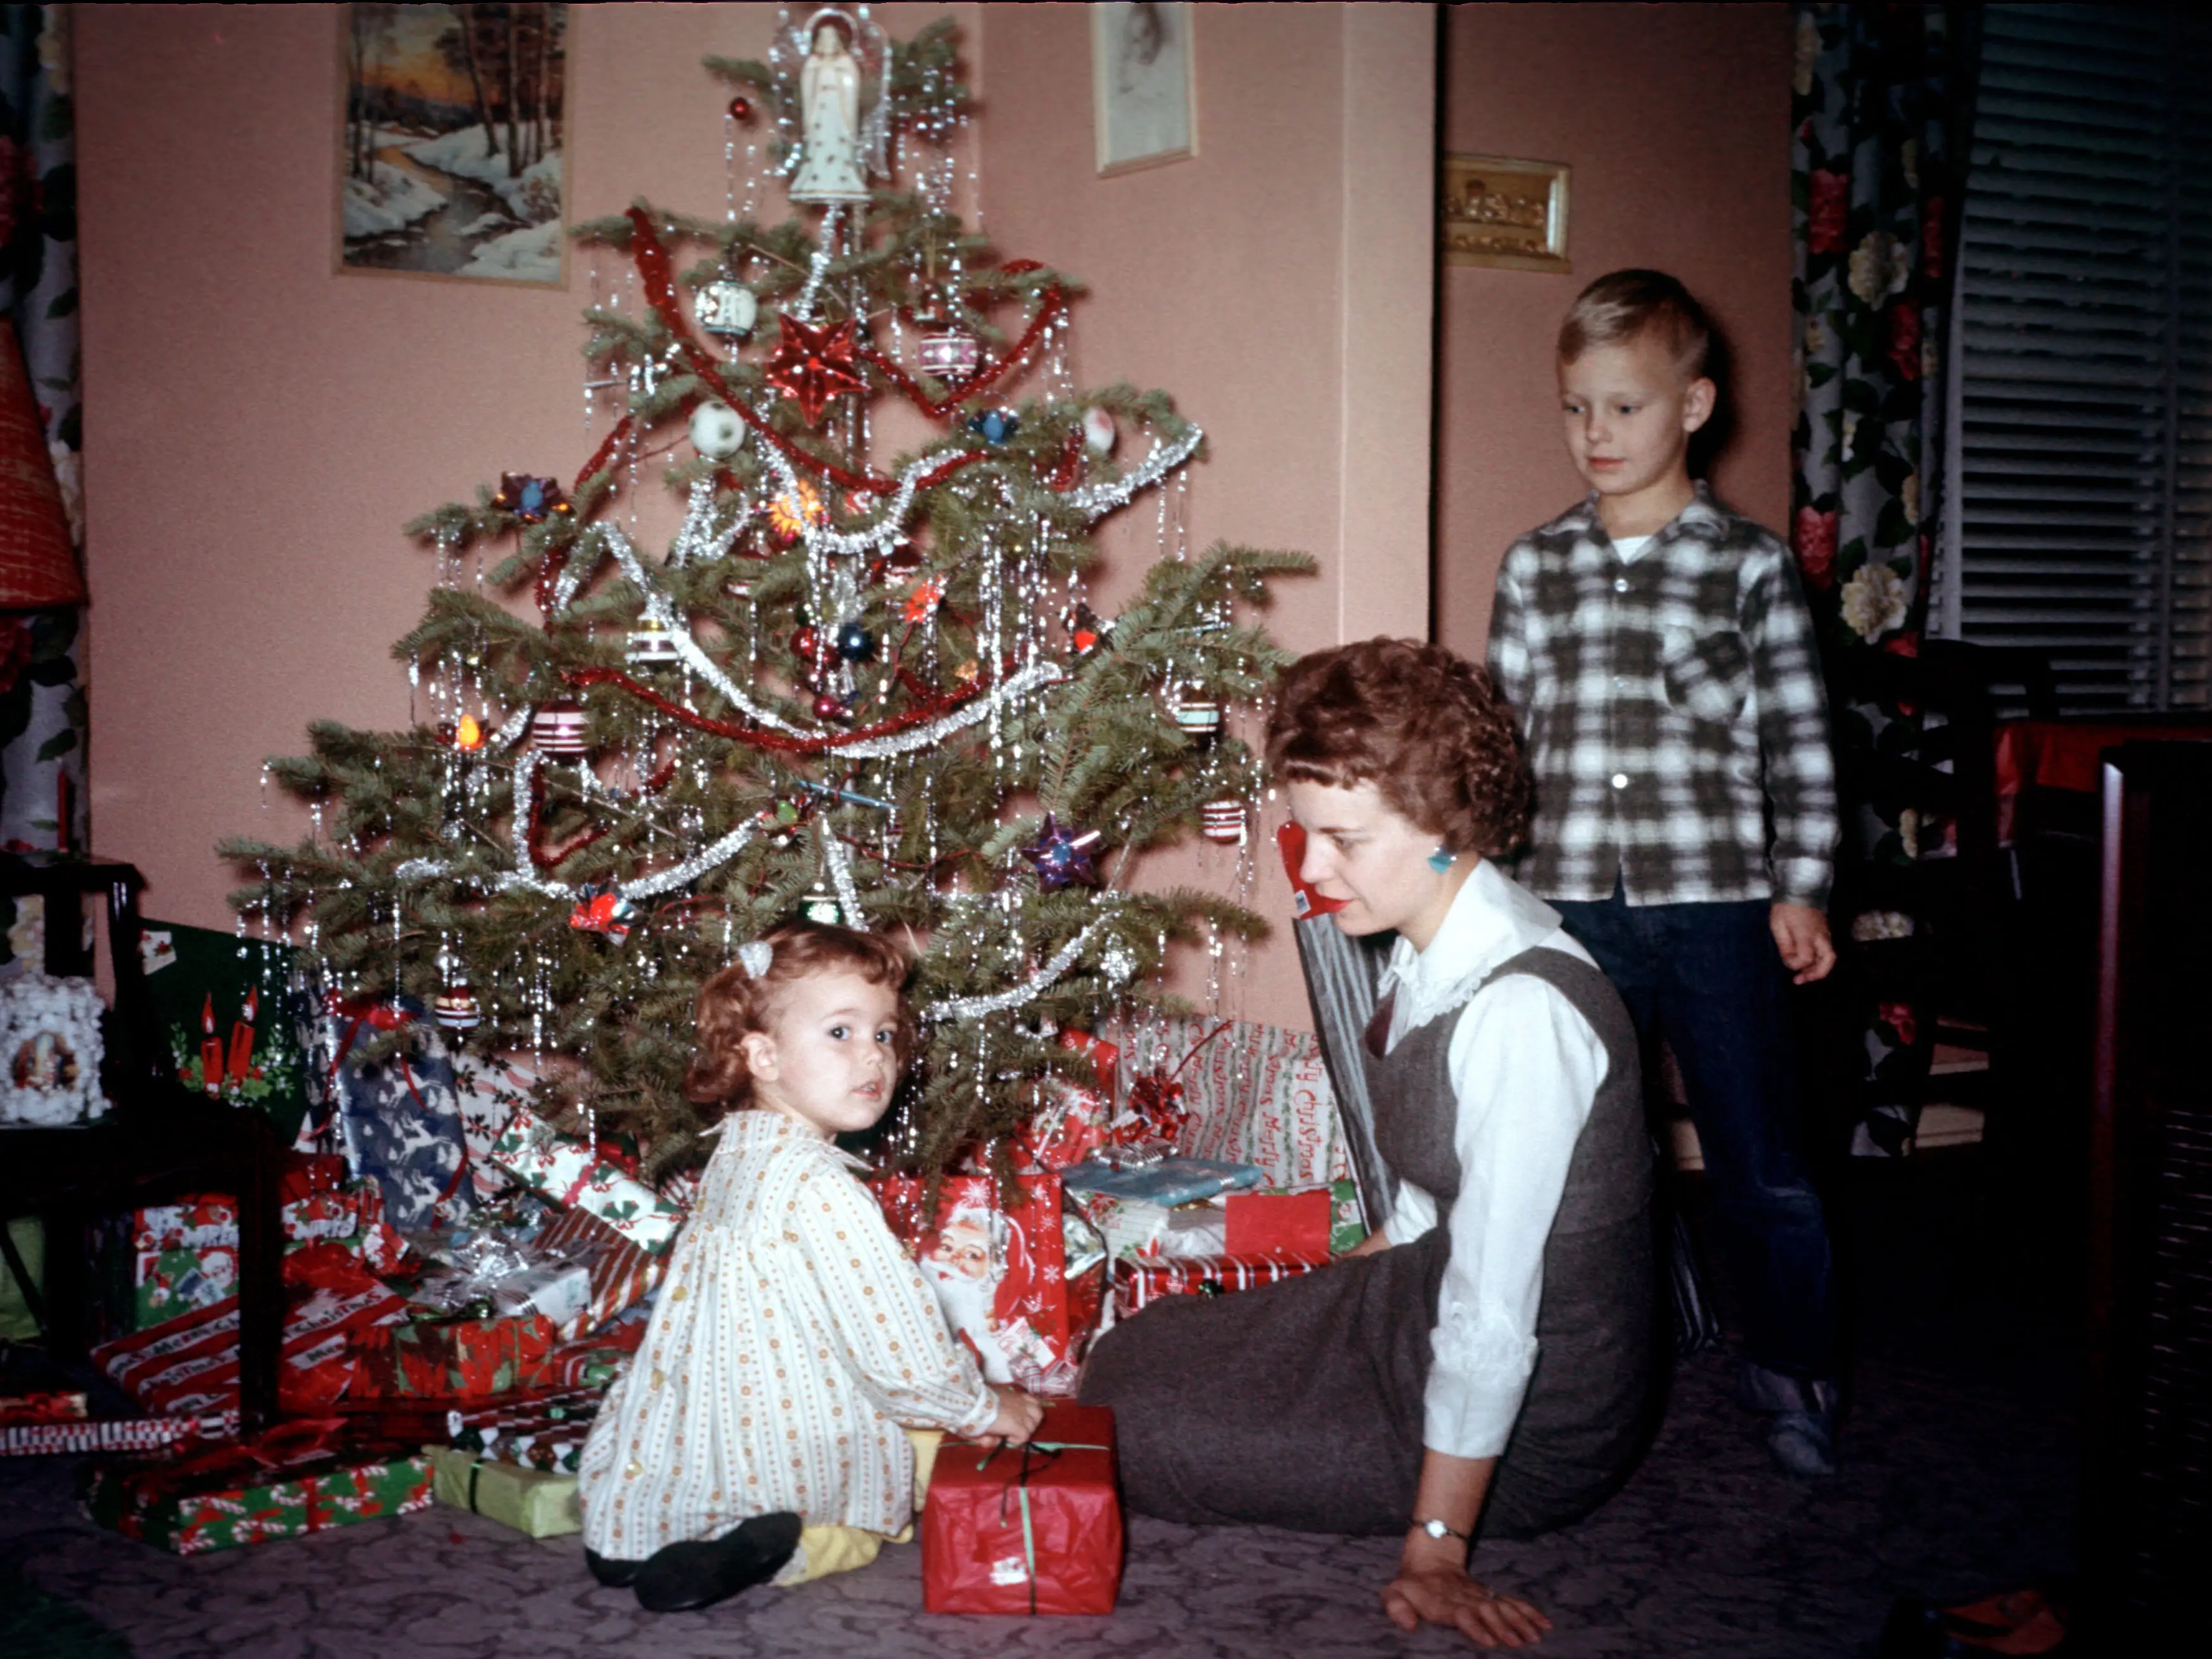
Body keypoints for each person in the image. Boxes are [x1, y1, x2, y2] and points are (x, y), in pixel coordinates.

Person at [1083, 639, 1656, 1651]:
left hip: (1530, 1418)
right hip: (1415, 1301)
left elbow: (1491, 1312)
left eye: (1343, 839)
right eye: (1303, 836)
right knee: (1135, 1354)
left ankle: (1443, 1496)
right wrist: (1317, 1307)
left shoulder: (1523, 1011)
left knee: (1133, 1438)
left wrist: (1435, 1548)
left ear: (1446, 826)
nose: (1312, 869)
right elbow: (1429, 1207)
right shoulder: (1429, 946)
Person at [1486, 268, 1844, 1476]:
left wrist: (1801, 882)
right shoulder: (1535, 568)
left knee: (1763, 1160)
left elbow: (1797, 736)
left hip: (1720, 902)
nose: (1597, 434)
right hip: (1574, 895)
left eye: (1625, 409)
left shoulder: (1747, 569)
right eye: (1577, 408)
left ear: (1693, 407)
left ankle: (1794, 1364)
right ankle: (1580, 1371)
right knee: (1585, 1155)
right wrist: (1493, 893)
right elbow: (1506, 747)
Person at [575, 922, 1043, 1612]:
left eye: (884, 1034)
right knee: (881, 1502)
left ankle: (628, 1538)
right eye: (840, 1032)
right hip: (794, 1432)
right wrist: (981, 1404)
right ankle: (791, 1541)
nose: (873, 1057)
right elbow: (896, 1343)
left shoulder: (735, 1148)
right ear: (762, 1055)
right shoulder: (824, 1186)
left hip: (706, 1415)